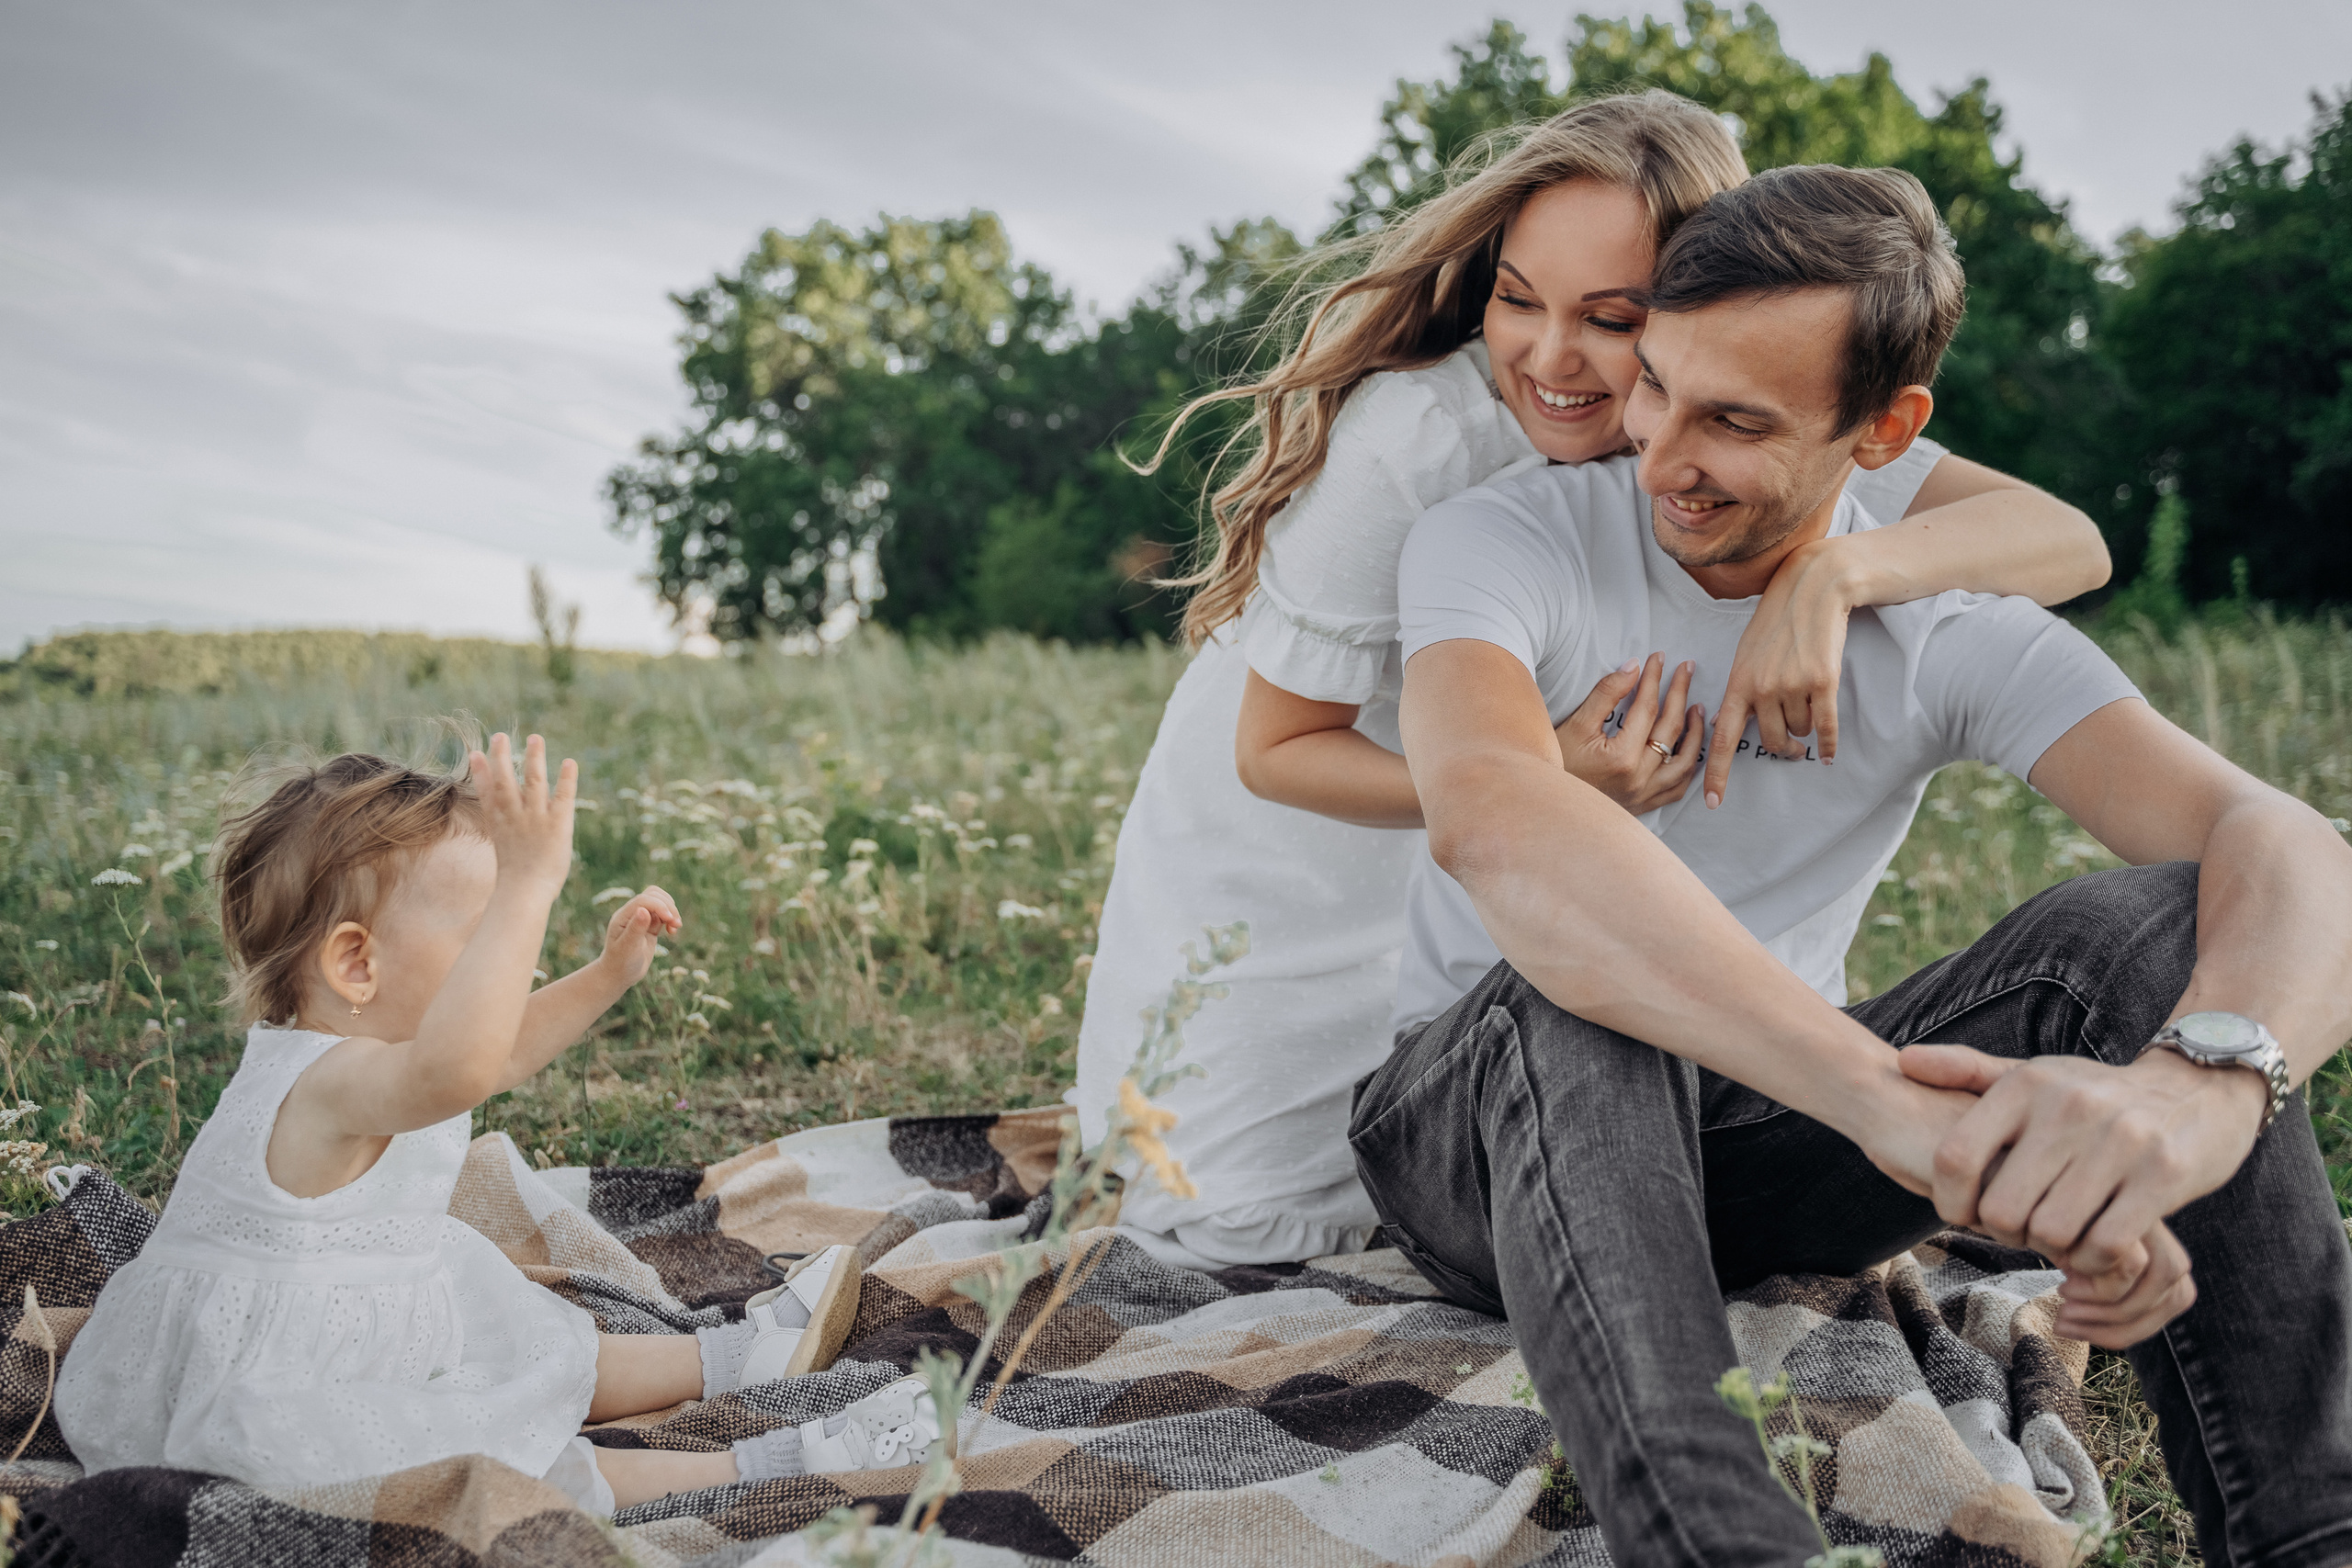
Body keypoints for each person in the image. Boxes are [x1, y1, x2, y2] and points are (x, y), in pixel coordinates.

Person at [1353, 164, 2352, 1565]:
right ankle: (1721, 1540)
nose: (1658, 454)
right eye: (1658, 387)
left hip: (1760, 1147)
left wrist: (2200, 1092)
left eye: (1735, 422)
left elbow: (2291, 845)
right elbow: (1492, 818)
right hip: (1471, 1132)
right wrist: (1889, 1100)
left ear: (1883, 430)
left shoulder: (1940, 627)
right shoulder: (1504, 540)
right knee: (1576, 982)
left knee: (2157, 921)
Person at [1074, 90, 2113, 1270]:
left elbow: (2064, 540)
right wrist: (1544, 773)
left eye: (1610, 319)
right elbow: (1275, 752)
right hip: (1297, 864)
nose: (1552, 358)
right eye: (1517, 299)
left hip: (1480, 899)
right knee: (1254, 1229)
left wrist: (1830, 576)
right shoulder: (1418, 438)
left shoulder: (1709, 407)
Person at [54, 738, 942, 1514]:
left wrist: (605, 975)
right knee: (513, 1470)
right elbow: (465, 1065)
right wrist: (530, 878)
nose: (516, 952)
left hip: (373, 1311)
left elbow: (495, 1049)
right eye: (490, 932)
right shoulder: (328, 1080)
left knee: (534, 1336)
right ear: (357, 962)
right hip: (282, 1391)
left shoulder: (380, 1057)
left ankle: (733, 1355)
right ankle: (771, 1462)